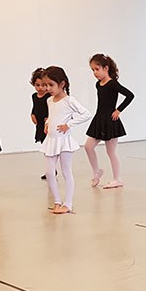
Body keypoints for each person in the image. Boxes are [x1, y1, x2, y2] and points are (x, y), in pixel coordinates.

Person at [41, 66, 92, 214]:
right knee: (49, 172)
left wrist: (69, 124)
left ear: (62, 84)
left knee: (66, 171)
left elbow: (86, 114)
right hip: (51, 140)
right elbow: (51, 115)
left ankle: (68, 203)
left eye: (51, 85)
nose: (48, 88)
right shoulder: (49, 101)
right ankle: (57, 201)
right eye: (46, 85)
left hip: (64, 141)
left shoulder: (69, 100)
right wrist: (47, 123)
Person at [84, 54, 135, 189]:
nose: (94, 73)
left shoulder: (113, 84)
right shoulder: (98, 84)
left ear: (106, 68)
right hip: (99, 119)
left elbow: (130, 95)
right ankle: (96, 172)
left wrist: (118, 110)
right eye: (92, 70)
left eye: (97, 69)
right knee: (88, 146)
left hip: (110, 120)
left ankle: (117, 179)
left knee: (110, 151)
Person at [30, 67, 52, 180]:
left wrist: (49, 118)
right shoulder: (34, 96)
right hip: (39, 125)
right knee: (45, 147)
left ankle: (51, 169)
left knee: (50, 148)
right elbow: (35, 108)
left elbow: (52, 109)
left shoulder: (49, 97)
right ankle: (50, 169)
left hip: (47, 125)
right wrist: (32, 115)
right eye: (37, 85)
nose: (40, 88)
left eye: (43, 85)